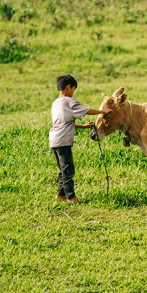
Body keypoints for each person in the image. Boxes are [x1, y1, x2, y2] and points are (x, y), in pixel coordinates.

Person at [49, 74, 104, 204]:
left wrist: (84, 126)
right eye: (73, 89)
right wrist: (103, 112)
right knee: (68, 170)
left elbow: (64, 122)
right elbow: (87, 110)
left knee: (63, 169)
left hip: (54, 139)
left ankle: (60, 195)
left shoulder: (56, 103)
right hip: (63, 140)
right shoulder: (69, 102)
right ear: (68, 87)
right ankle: (71, 197)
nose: (73, 92)